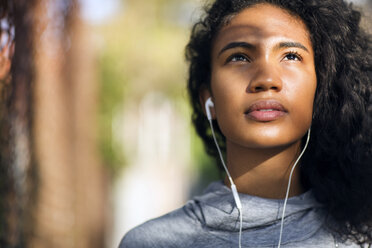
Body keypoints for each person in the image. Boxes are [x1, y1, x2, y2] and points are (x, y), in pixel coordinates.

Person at [119, 0, 372, 247]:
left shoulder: (360, 240)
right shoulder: (150, 242)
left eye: (291, 56)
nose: (267, 79)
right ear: (209, 99)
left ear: (321, 90)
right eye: (239, 57)